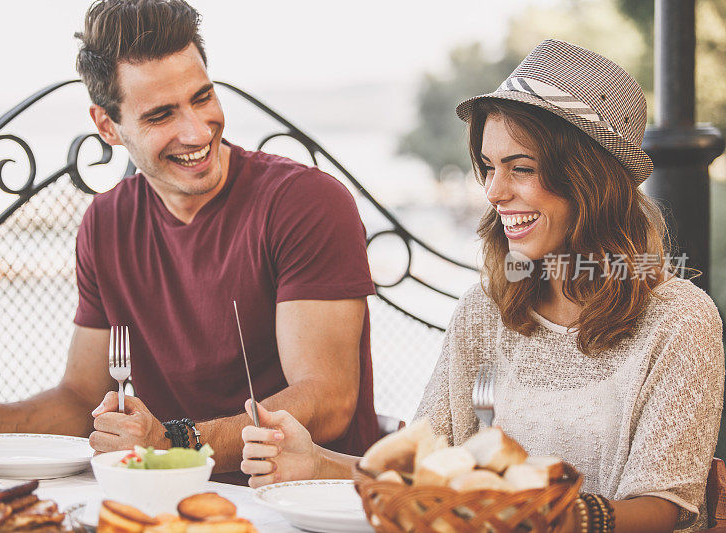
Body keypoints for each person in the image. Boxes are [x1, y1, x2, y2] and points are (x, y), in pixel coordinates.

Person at [241, 40, 724, 532]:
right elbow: (423, 477)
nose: (494, 192)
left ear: (590, 179)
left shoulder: (679, 320)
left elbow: (664, 509)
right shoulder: (484, 311)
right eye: (490, 167)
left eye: (521, 168)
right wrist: (317, 463)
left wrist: (539, 515)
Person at [0, 0, 379, 483]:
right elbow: (82, 400)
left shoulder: (305, 202)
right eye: (161, 115)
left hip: (306, 499)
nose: (196, 130)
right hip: (163, 493)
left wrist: (173, 444)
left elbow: (326, 401)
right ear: (107, 126)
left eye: (202, 97)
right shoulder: (104, 223)